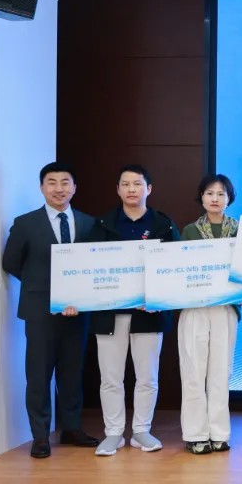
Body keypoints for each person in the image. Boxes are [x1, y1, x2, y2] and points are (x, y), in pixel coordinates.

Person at [1, 162, 100, 458]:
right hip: (40, 310)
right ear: (42, 187)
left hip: (78, 310)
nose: (59, 188)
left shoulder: (89, 223)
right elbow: (11, 262)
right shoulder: (25, 223)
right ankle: (41, 435)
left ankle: (71, 428)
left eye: (65, 182)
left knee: (72, 372)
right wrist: (43, 288)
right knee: (39, 374)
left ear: (74, 187)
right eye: (52, 182)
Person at [90, 164, 180, 456]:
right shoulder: (101, 225)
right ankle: (113, 433)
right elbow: (87, 268)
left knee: (147, 376)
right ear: (118, 189)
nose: (131, 189)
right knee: (110, 377)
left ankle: (142, 430)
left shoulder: (163, 225)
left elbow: (175, 268)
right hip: (110, 313)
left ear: (148, 189)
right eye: (126, 184)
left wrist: (158, 298)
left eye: (137, 184)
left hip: (148, 314)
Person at [178, 174, 241, 455]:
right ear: (201, 197)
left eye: (221, 194)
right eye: (209, 193)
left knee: (221, 371)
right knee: (193, 371)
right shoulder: (190, 231)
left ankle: (219, 433)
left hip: (226, 307)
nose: (215, 198)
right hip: (195, 307)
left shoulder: (241, 231)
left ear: (229, 199)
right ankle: (195, 433)